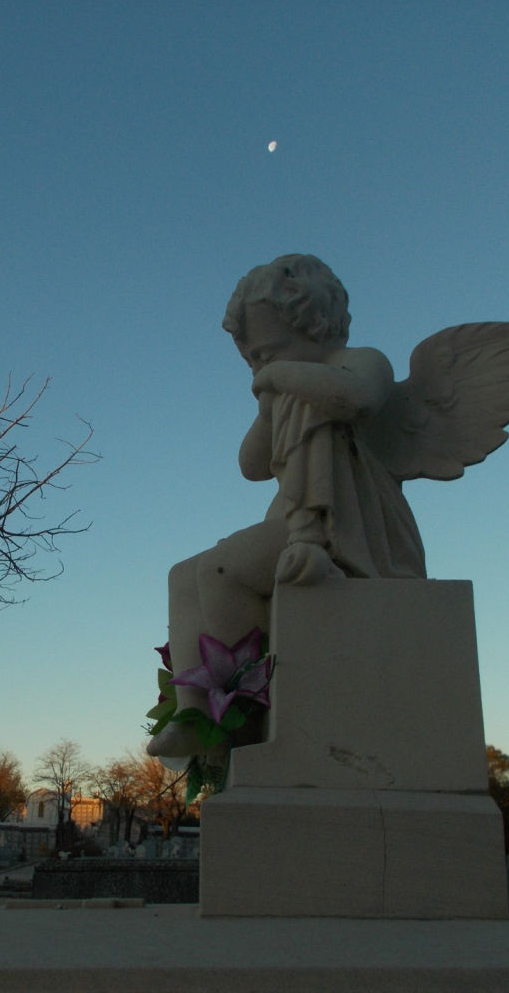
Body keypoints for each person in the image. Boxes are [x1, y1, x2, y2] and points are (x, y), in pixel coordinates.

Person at [147, 254, 425, 759]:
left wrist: (283, 377)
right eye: (254, 359)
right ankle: (195, 711)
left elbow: (358, 399)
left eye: (268, 352)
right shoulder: (285, 389)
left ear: (316, 323)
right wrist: (267, 402)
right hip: (289, 517)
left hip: (353, 524)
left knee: (220, 571)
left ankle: (245, 719)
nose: (261, 367)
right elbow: (251, 465)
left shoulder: (359, 362)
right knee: (182, 575)